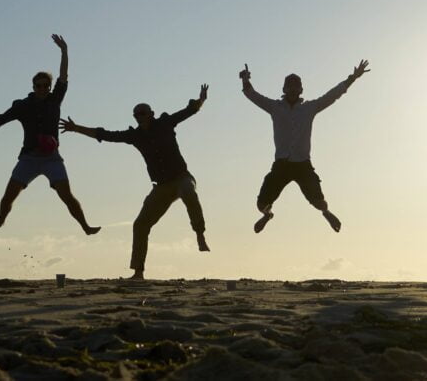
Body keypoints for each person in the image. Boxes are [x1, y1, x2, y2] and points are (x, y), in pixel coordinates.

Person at [60, 85, 210, 280]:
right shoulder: (135, 136)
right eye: (137, 115)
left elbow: (188, 111)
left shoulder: (165, 123)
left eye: (143, 113)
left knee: (189, 192)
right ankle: (138, 271)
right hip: (161, 187)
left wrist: (201, 100)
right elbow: (105, 135)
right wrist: (76, 128)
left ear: (151, 114)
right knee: (140, 225)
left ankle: (199, 233)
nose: (140, 117)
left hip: (182, 177)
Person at [0, 35, 99, 235]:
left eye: (45, 86)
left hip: (52, 159)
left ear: (49, 88)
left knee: (66, 195)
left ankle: (85, 226)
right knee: (9, 195)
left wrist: (64, 51)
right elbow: (1, 118)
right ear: (33, 87)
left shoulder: (54, 100)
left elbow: (63, 77)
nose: (42, 89)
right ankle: (0, 220)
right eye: (38, 86)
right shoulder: (23, 105)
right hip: (29, 158)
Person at [240, 60, 369, 234]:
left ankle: (326, 212)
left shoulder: (309, 108)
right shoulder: (275, 108)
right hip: (281, 165)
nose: (293, 89)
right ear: (284, 89)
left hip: (302, 165)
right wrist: (245, 79)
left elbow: (333, 95)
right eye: (289, 86)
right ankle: (267, 215)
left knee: (319, 201)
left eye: (296, 86)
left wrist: (353, 77)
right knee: (261, 204)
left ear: (301, 90)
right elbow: (252, 95)